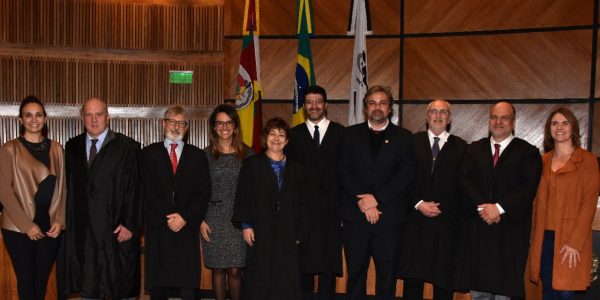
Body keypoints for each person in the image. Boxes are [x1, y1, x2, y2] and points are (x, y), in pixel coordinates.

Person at [456, 101, 542, 300]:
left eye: (504, 117)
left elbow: (527, 188)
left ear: (513, 122)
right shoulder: (472, 150)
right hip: (479, 231)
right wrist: (484, 208)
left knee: (505, 293)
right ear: (489, 121)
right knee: (479, 292)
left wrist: (499, 208)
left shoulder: (528, 153)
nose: (498, 121)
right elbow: (463, 182)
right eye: (494, 117)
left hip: (509, 233)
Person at [338, 85, 415, 300]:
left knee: (387, 276)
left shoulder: (404, 137)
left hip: (389, 219)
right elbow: (342, 170)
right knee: (355, 275)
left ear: (390, 108)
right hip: (356, 217)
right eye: (372, 103)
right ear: (365, 108)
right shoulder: (350, 134)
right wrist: (364, 201)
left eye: (382, 103)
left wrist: (376, 200)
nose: (377, 107)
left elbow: (406, 173)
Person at [61, 98, 142, 299]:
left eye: (99, 114)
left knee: (119, 285)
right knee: (88, 286)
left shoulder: (127, 147)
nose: (94, 120)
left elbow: (136, 188)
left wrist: (130, 225)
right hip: (85, 232)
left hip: (116, 230)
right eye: (89, 114)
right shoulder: (72, 147)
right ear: (82, 118)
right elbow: (66, 189)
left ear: (108, 117)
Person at [397, 99, 466, 300]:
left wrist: (441, 208)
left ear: (449, 118)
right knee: (413, 283)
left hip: (446, 226)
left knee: (443, 283)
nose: (438, 115)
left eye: (443, 112)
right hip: (415, 224)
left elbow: (462, 186)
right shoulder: (411, 142)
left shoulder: (461, 147)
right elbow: (402, 178)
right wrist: (418, 204)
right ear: (427, 117)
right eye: (433, 112)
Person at [528, 107, 600, 299]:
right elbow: (534, 202)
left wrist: (575, 243)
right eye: (554, 123)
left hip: (569, 240)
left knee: (565, 292)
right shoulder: (542, 161)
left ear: (573, 128)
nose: (559, 127)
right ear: (549, 129)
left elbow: (588, 204)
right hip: (543, 239)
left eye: (565, 123)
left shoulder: (587, 160)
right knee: (548, 290)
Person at [0, 96, 66, 300]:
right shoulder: (9, 149)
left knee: (41, 281)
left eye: (38, 115)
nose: (33, 120)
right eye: (28, 115)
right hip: (18, 227)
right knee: (26, 281)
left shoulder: (56, 148)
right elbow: (4, 191)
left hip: (50, 225)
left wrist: (60, 220)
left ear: (45, 119)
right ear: (21, 120)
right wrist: (27, 225)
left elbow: (64, 187)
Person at [232, 117, 306, 300]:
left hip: (288, 230)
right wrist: (246, 225)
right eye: (272, 134)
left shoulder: (298, 169)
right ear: (265, 138)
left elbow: (304, 204)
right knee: (260, 276)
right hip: (260, 228)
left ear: (287, 140)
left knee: (286, 277)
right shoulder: (251, 164)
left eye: (281, 135)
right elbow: (243, 196)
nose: (276, 138)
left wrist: (299, 233)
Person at [143, 106, 211, 300]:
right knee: (159, 289)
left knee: (188, 289)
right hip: (158, 231)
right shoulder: (148, 154)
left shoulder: (198, 156)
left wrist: (184, 217)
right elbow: (144, 191)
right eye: (172, 121)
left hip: (186, 231)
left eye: (181, 123)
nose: (176, 126)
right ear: (164, 124)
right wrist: (166, 218)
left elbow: (203, 193)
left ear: (187, 127)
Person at [285, 85, 345, 300]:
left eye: (318, 101)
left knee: (328, 265)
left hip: (332, 211)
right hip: (303, 211)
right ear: (303, 106)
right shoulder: (293, 135)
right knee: (304, 265)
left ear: (325, 105)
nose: (314, 106)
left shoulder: (341, 133)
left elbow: (347, 172)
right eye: (309, 102)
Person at [200, 104, 251, 300]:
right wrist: (200, 220)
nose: (224, 127)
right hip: (212, 220)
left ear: (235, 126)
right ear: (214, 127)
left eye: (229, 123)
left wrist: (250, 222)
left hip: (239, 220)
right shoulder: (204, 156)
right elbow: (198, 192)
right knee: (218, 270)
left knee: (236, 271)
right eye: (219, 123)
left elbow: (253, 191)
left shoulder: (248, 154)